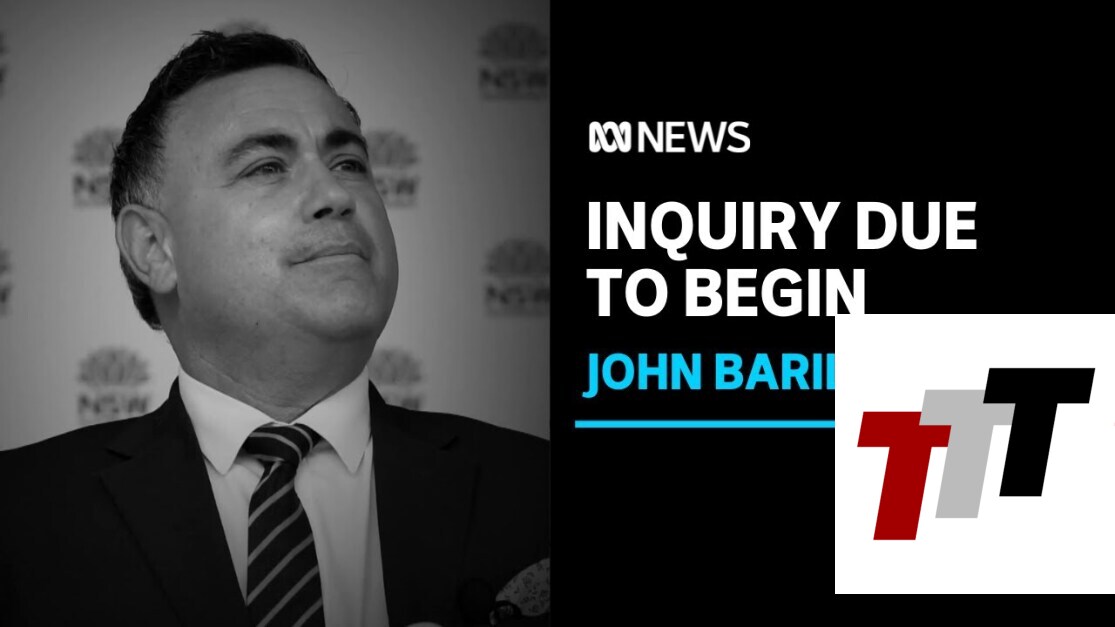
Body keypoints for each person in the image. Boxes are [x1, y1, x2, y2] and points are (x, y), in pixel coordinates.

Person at [0, 30, 549, 627]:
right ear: (154, 249)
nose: (336, 193)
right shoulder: (20, 512)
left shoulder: (533, 490)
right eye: (266, 167)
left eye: (349, 163)